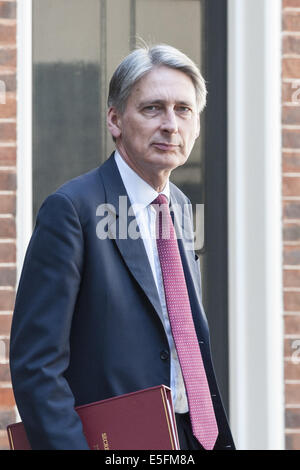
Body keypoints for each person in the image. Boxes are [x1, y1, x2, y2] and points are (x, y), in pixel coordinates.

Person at [9, 44, 235, 450]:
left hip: (188, 436)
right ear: (115, 119)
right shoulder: (72, 210)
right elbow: (36, 367)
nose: (170, 124)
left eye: (183, 110)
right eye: (153, 108)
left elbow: (180, 338)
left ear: (196, 125)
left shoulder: (180, 207)